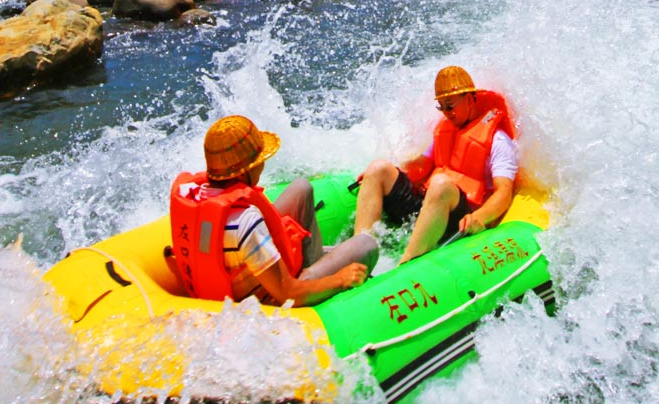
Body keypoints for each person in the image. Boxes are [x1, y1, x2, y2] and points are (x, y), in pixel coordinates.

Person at [169, 115, 376, 306]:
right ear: (247, 170)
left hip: (237, 277)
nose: (263, 166)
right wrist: (339, 279)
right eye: (260, 161)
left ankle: (317, 262)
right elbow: (287, 293)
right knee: (365, 244)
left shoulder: (195, 197)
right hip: (272, 297)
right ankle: (317, 275)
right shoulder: (245, 220)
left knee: (301, 188)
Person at [354, 66, 518, 264]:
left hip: (460, 217)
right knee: (378, 168)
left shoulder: (498, 140)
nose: (446, 113)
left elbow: (503, 193)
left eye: (450, 106)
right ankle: (358, 254)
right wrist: (385, 177)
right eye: (441, 107)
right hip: (430, 206)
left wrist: (480, 217)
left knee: (440, 184)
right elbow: (423, 165)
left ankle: (405, 264)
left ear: (470, 98)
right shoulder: (446, 129)